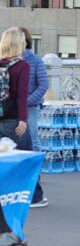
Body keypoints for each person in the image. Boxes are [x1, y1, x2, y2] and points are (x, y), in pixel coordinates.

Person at [0, 28, 45, 209]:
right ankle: (35, 197)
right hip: (14, 120)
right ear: (19, 44)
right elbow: (21, 96)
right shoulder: (22, 66)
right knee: (25, 159)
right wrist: (23, 120)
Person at [19, 28, 48, 207]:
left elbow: (43, 85)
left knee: (32, 142)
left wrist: (26, 102)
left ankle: (34, 180)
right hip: (12, 109)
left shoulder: (35, 60)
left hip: (31, 107)